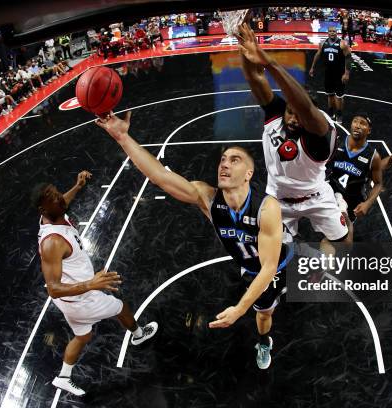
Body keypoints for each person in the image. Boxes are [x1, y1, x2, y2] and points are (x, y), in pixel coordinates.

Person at [96, 112, 290, 370]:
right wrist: (122, 138)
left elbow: (269, 267)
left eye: (235, 160)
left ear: (249, 173)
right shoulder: (208, 199)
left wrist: (238, 309)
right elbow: (160, 177)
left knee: (305, 289)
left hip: (281, 261)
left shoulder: (267, 208)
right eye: (222, 160)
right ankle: (265, 342)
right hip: (251, 267)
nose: (224, 164)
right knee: (264, 315)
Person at [34, 171, 158, 395]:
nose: (59, 198)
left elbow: (63, 201)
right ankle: (139, 335)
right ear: (43, 209)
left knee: (83, 336)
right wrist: (92, 284)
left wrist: (77, 185)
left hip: (73, 300)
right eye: (52, 197)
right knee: (120, 307)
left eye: (56, 193)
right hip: (81, 298)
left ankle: (63, 377)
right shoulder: (52, 242)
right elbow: (52, 289)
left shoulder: (54, 213)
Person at [239, 23, 349, 253]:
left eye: (299, 114)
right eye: (290, 112)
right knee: (273, 250)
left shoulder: (321, 132)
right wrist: (246, 50)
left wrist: (271, 62)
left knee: (343, 242)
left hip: (316, 196)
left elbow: (305, 109)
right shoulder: (277, 114)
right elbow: (256, 79)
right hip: (278, 198)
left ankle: (340, 212)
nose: (293, 118)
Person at [326, 114, 383, 240]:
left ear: (369, 130)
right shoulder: (337, 142)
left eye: (362, 123)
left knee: (343, 237)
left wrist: (367, 203)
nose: (357, 125)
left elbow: (378, 184)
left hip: (353, 201)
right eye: (355, 121)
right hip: (330, 192)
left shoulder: (373, 156)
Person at [309, 26, 352, 123]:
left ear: (337, 32)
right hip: (328, 73)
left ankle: (339, 114)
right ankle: (330, 113)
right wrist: (312, 67)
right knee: (330, 95)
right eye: (330, 31)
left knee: (339, 96)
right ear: (327, 32)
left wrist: (346, 73)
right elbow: (318, 54)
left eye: (334, 31)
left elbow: (348, 58)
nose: (332, 33)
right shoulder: (323, 43)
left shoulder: (342, 44)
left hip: (339, 74)